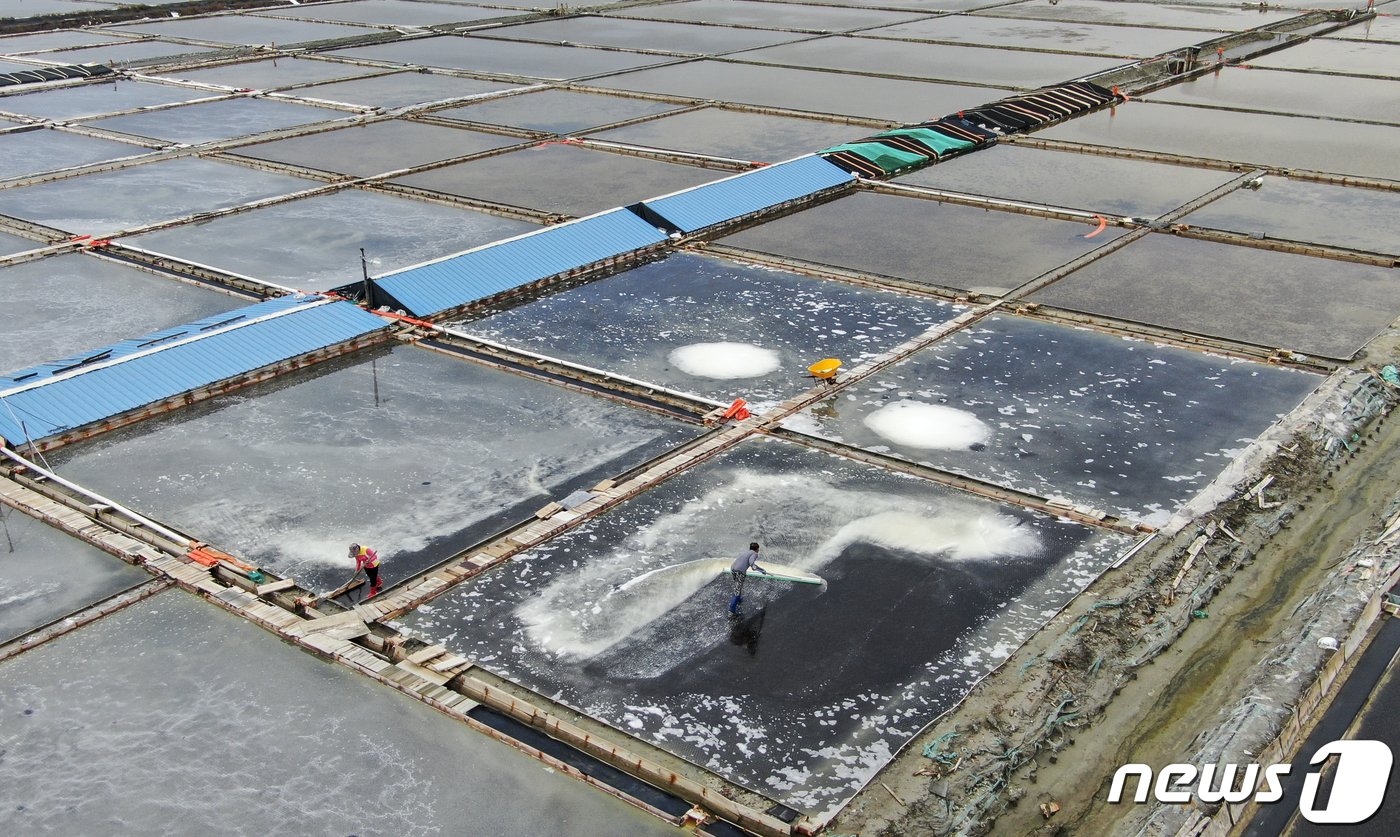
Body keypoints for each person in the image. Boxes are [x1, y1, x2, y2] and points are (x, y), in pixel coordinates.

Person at [729, 542, 767, 614]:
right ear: (757, 549)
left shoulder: (746, 552)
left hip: (733, 569)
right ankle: (731, 610)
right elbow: (752, 564)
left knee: (738, 586)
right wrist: (762, 570)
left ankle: (739, 599)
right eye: (758, 549)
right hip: (740, 571)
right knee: (737, 589)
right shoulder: (754, 554)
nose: (758, 550)